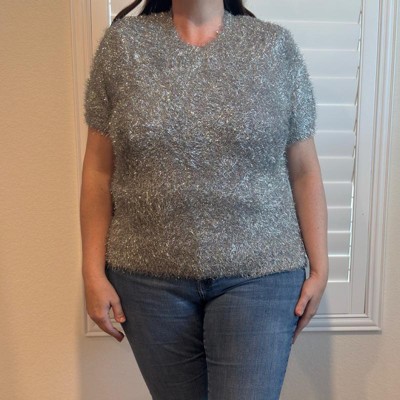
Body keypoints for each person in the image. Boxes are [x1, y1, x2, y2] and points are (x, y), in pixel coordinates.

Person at [80, 0, 329, 398]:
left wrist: (320, 267)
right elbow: (98, 172)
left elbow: (304, 170)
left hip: (262, 273)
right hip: (147, 280)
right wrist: (92, 273)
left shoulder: (273, 47)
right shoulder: (123, 46)